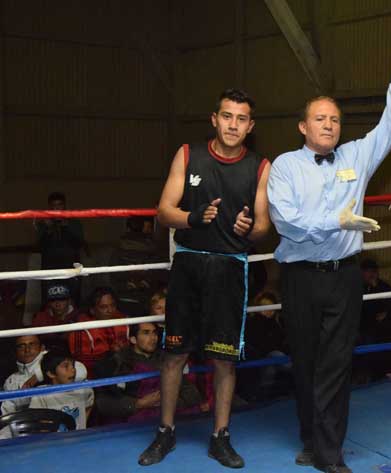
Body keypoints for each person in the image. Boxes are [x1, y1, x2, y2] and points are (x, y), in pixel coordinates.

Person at [267, 21, 391, 473]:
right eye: (320, 119)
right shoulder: (286, 167)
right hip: (299, 277)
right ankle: (311, 440)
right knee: (307, 363)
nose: (329, 125)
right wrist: (337, 219)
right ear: (302, 126)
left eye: (334, 119)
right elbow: (286, 221)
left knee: (336, 365)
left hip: (345, 275)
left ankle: (330, 455)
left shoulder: (355, 155)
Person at [138, 88, 271, 469]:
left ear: (250, 126)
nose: (233, 124)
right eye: (227, 116)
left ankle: (220, 437)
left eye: (241, 118)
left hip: (230, 266)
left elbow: (264, 224)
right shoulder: (187, 154)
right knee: (174, 353)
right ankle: (165, 432)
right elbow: (164, 211)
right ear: (215, 119)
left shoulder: (261, 166)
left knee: (225, 359)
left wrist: (251, 229)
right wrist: (193, 218)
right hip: (189, 265)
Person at [94, 322, 202, 424]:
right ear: (133, 339)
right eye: (146, 333)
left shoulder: (169, 360)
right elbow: (103, 403)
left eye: (154, 333)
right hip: (133, 423)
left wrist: (166, 402)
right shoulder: (118, 362)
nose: (153, 338)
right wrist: (139, 404)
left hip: (167, 417)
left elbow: (193, 394)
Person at [1, 335, 87, 416]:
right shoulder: (10, 381)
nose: (27, 350)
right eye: (21, 346)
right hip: (26, 427)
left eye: (32, 344)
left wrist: (39, 374)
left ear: (42, 347)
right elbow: (7, 413)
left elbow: (81, 371)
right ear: (15, 351)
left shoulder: (54, 362)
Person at [34, 191, 87, 304]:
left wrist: (66, 227)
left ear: (64, 206)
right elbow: (38, 247)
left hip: (71, 268)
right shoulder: (43, 224)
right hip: (50, 269)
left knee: (73, 299)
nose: (57, 208)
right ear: (50, 207)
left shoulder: (74, 222)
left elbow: (80, 244)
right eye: (54, 206)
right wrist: (47, 229)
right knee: (49, 300)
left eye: (60, 205)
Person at [68, 287, 129, 376]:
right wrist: (111, 354)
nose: (110, 310)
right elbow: (80, 363)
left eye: (113, 305)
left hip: (124, 372)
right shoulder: (81, 329)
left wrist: (124, 351)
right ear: (92, 310)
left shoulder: (125, 321)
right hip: (95, 378)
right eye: (104, 307)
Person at [28, 350, 94, 431]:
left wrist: (81, 427)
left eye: (73, 365)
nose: (72, 370)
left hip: (79, 440)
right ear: (51, 374)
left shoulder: (83, 389)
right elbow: (39, 423)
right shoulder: (41, 394)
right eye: (66, 366)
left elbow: (89, 405)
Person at [32, 283, 80, 352]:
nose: (58, 304)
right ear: (48, 303)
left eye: (61, 299)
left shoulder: (79, 317)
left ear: (69, 301)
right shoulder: (40, 318)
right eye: (53, 300)